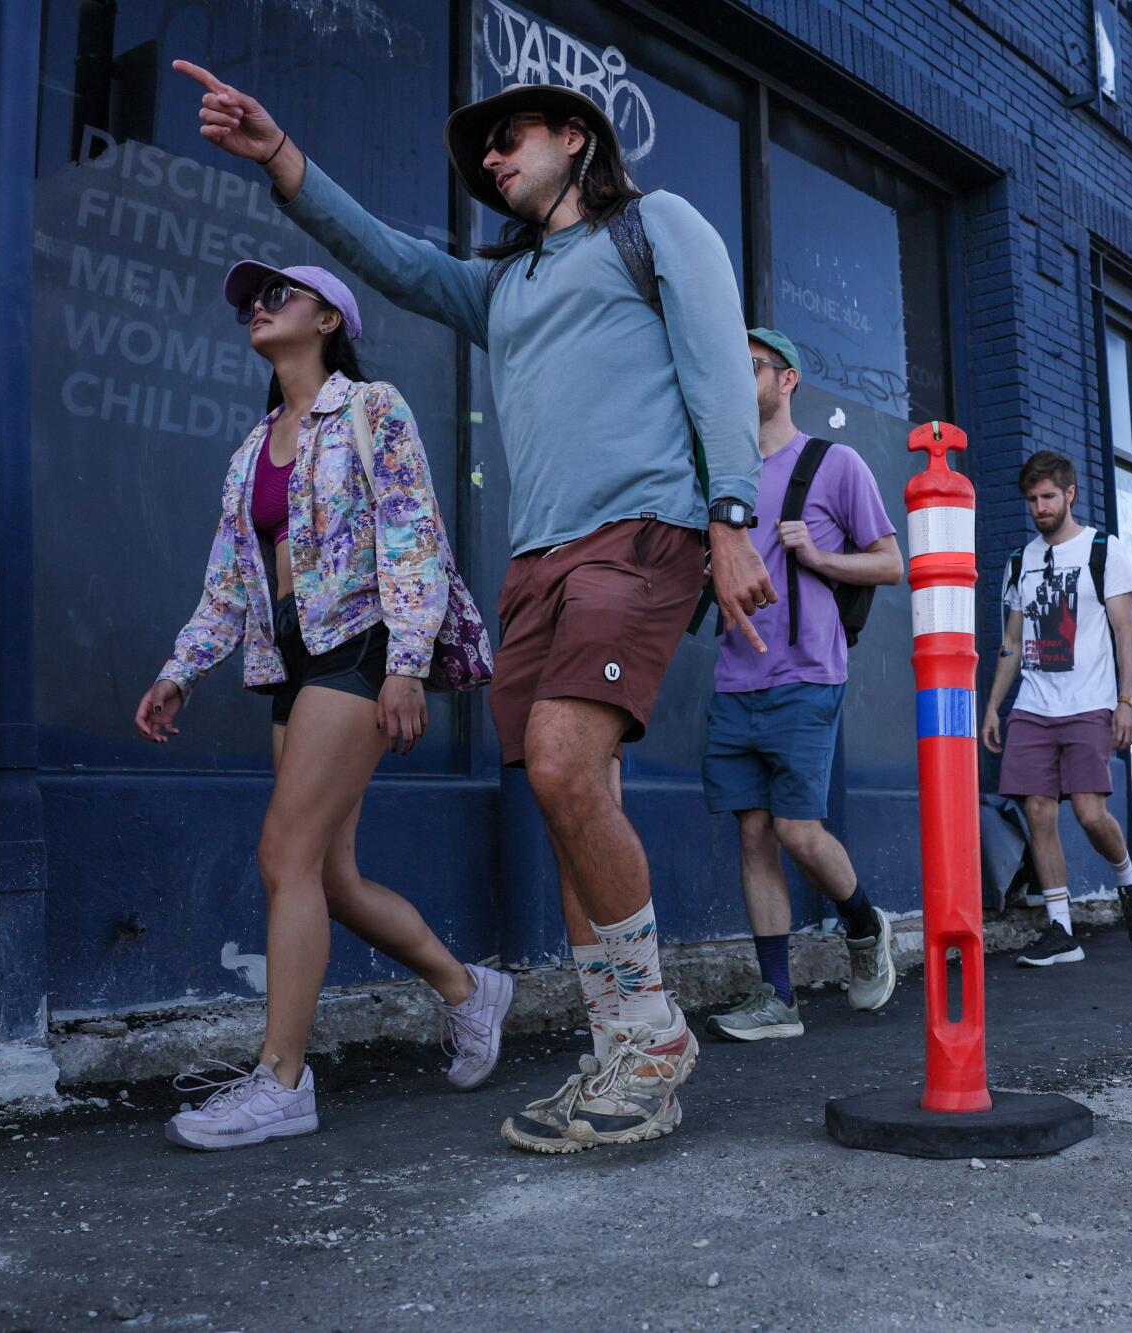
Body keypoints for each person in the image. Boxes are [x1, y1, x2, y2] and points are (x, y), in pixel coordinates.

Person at [173, 64, 773, 1154]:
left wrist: (729, 516)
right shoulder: (502, 287)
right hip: (536, 561)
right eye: (484, 151)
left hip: (642, 531)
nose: (492, 161)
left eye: (511, 140)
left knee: (557, 760)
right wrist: (280, 161)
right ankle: (616, 1047)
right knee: (567, 795)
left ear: (577, 140)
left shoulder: (654, 229)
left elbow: (718, 372)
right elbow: (390, 263)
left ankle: (649, 1031)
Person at [134, 262, 513, 1149]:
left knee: (283, 853)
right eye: (250, 302)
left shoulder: (373, 408)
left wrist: (409, 662)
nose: (258, 308)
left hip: (362, 645)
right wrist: (180, 668)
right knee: (326, 875)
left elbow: (416, 533)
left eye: (278, 295)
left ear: (329, 319)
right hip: (290, 662)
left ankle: (282, 1080)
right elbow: (231, 585)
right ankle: (469, 990)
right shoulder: (250, 451)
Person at [702, 329, 902, 1040]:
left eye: (749, 365)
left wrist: (816, 556)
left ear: (786, 380)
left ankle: (863, 925)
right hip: (735, 676)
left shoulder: (833, 463)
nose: (737, 375)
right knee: (753, 832)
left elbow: (889, 563)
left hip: (807, 673)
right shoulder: (720, 472)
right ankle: (776, 998)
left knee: (795, 829)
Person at [981, 452, 1132, 966]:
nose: (1040, 507)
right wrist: (995, 705)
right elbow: (1012, 641)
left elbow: (1125, 632)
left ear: (1070, 494)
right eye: (1032, 500)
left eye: (1048, 497)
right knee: (1036, 811)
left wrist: (1127, 701)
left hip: (1089, 703)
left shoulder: (1103, 550)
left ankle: (1127, 877)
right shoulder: (1020, 561)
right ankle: (1061, 930)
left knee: (1088, 811)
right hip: (1034, 705)